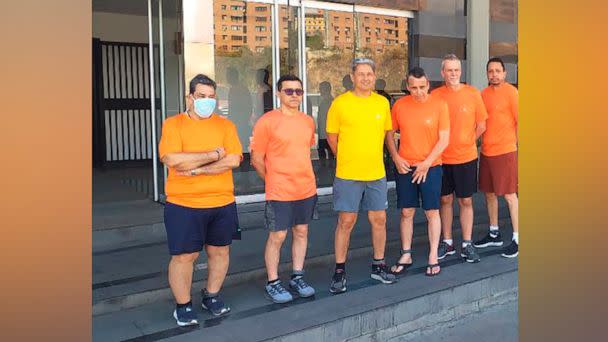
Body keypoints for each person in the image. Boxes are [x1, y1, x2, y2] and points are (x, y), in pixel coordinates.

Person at [159, 74, 242, 326]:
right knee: (185, 257)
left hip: (222, 202)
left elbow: (234, 159)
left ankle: (212, 296)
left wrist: (198, 168)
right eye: (201, 96)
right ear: (190, 97)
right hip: (184, 204)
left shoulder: (225, 126)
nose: (207, 101)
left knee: (220, 251)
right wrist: (214, 153)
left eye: (211, 97)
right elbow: (172, 160)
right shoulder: (173, 125)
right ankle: (183, 305)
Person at [326, 58, 397, 294]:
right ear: (353, 76)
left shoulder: (382, 103)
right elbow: (332, 138)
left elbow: (387, 134)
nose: (365, 78)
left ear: (374, 76)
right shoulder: (340, 103)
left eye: (369, 74)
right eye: (361, 74)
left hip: (376, 173)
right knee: (346, 222)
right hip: (348, 174)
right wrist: (346, 158)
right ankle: (339, 270)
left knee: (379, 220)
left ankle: (379, 265)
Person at [250, 75, 318, 303]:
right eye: (289, 91)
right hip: (279, 190)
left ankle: (297, 276)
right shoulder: (267, 122)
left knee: (301, 232)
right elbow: (257, 158)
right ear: (278, 93)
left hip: (305, 188)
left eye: (298, 91)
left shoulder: (308, 121)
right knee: (278, 235)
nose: (294, 95)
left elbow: (304, 151)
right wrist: (271, 180)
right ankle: (273, 281)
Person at [386, 67, 450, 277]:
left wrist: (426, 163)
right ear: (407, 86)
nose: (418, 91)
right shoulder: (400, 105)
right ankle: (406, 253)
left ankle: (433, 254)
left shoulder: (439, 105)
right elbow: (389, 134)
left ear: (428, 85)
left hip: (430, 167)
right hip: (406, 166)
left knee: (432, 212)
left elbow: (444, 139)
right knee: (406, 212)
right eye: (413, 88)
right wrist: (395, 157)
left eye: (422, 87)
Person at [431, 54, 488, 263]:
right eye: (449, 70)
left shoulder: (473, 93)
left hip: (466, 157)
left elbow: (482, 124)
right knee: (444, 200)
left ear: (460, 72)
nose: (453, 74)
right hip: (442, 158)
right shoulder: (435, 95)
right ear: (442, 72)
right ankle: (447, 242)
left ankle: (466, 243)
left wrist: (468, 141)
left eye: (456, 70)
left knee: (465, 200)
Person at [474, 57, 519, 258]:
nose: (494, 74)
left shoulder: (512, 92)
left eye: (497, 71)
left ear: (504, 73)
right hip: (486, 152)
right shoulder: (483, 94)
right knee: (489, 193)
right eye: (490, 71)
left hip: (506, 152)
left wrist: (514, 147)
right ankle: (494, 233)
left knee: (510, 196)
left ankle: (517, 238)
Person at [317, 81, 334, 160]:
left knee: (329, 154)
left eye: (321, 89)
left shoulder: (331, 102)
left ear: (327, 89)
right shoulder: (324, 102)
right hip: (323, 134)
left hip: (328, 134)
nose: (320, 91)